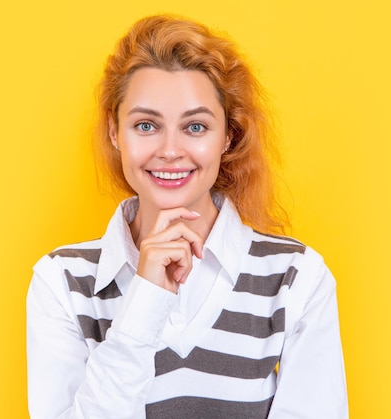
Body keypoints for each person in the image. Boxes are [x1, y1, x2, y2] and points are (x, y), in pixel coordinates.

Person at [27, 15, 348, 419]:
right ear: (114, 131)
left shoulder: (296, 278)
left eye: (195, 127)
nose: (170, 150)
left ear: (228, 135)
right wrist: (145, 300)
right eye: (146, 125)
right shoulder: (61, 282)